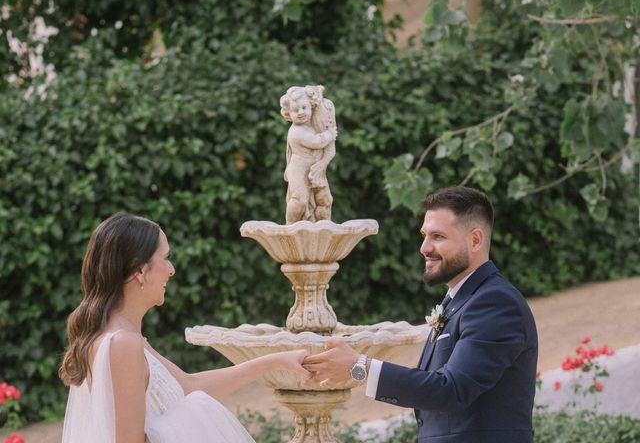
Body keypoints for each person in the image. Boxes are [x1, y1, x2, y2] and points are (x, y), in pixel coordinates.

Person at [303, 186, 539, 443]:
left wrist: (359, 367)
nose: (424, 248)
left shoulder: (495, 302)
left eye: (438, 236)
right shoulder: (461, 299)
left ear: (475, 240)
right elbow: (433, 385)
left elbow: (451, 390)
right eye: (424, 235)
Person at [59, 212, 311, 443]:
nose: (172, 270)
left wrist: (275, 361)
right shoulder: (122, 344)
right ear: (140, 271)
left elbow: (189, 386)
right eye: (166, 258)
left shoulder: (126, 338)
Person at [280, 85, 337, 224]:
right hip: (298, 170)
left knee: (325, 200)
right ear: (288, 114)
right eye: (295, 110)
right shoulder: (297, 132)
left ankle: (323, 226)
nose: (301, 112)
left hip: (314, 168)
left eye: (304, 107)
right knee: (300, 199)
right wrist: (330, 134)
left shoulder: (311, 124)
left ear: (311, 106)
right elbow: (316, 142)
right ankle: (290, 226)